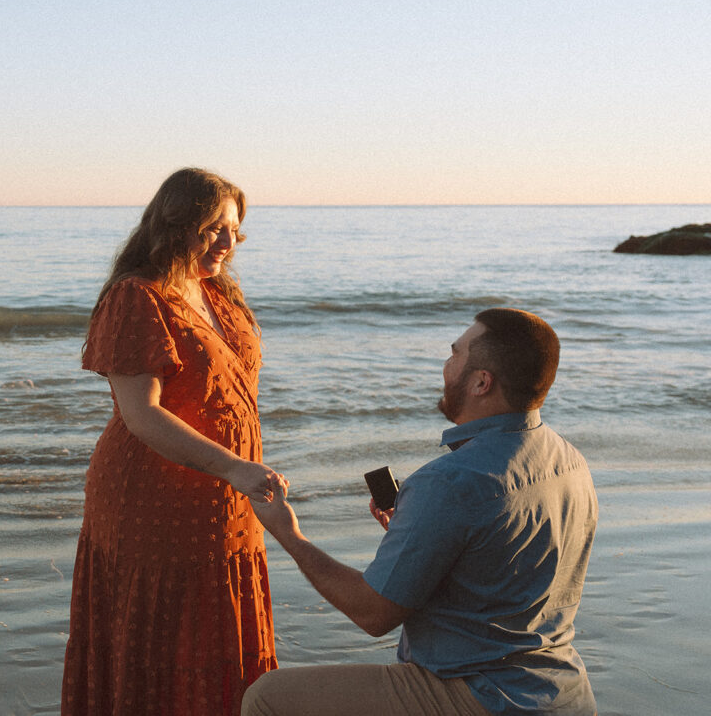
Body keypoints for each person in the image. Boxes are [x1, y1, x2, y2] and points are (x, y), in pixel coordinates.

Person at [245, 308, 598, 716]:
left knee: (268, 696)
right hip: (563, 692)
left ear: (482, 382)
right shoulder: (570, 461)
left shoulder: (449, 481)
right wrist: (418, 536)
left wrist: (288, 533)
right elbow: (500, 568)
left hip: (483, 697)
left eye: (455, 354)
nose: (446, 366)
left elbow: (373, 613)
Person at [61, 168, 284, 716]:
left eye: (236, 231)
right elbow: (142, 416)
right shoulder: (136, 296)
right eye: (214, 229)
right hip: (153, 502)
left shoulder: (216, 292)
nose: (228, 244)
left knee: (221, 636)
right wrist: (235, 467)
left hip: (229, 497)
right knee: (161, 642)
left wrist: (238, 473)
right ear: (176, 223)